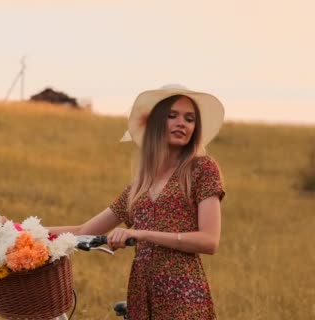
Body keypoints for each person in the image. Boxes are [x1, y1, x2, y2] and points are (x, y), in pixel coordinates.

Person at [47, 85, 226, 319]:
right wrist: (20, 230)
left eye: (189, 119)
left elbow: (209, 241)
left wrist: (142, 234)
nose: (182, 123)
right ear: (155, 123)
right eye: (172, 116)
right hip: (142, 294)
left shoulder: (202, 169)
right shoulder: (138, 188)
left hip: (184, 295)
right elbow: (83, 231)